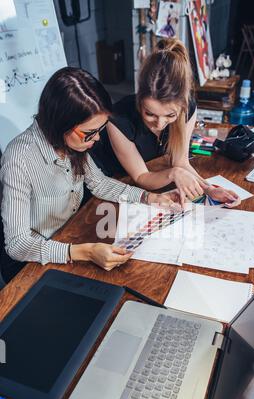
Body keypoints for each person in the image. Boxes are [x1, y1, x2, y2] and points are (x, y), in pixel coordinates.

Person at [0, 67, 179, 283]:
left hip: (70, 236)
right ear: (61, 123)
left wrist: (149, 198)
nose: (96, 140)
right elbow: (18, 244)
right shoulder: (19, 158)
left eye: (100, 130)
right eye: (89, 133)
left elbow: (99, 183)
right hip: (32, 263)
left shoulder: (72, 143)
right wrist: (84, 252)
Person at [93, 38, 241, 207]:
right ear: (139, 99)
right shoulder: (118, 119)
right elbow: (141, 177)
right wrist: (173, 173)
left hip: (146, 181)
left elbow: (181, 162)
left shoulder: (188, 109)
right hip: (111, 181)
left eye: (170, 115)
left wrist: (209, 189)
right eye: (150, 114)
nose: (160, 124)